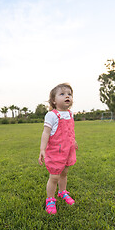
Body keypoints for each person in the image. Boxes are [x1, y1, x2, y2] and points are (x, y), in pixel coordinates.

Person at [38, 83, 78, 215]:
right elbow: (46, 133)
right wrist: (42, 149)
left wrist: (74, 141)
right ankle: (50, 199)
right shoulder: (52, 115)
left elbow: (70, 131)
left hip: (68, 150)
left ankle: (62, 192)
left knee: (64, 173)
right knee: (54, 176)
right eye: (62, 94)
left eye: (69, 94)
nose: (67, 96)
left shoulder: (70, 114)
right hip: (56, 151)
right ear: (54, 101)